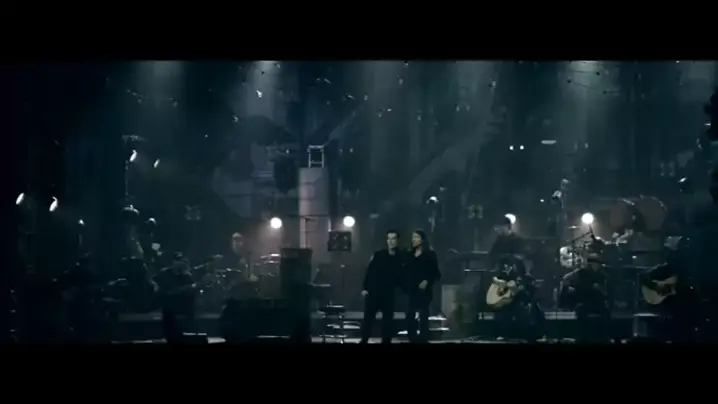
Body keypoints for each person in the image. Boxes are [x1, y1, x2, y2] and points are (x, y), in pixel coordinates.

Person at [641, 237, 700, 342]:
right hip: (667, 313)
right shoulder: (664, 270)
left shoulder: (687, 272)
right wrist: (657, 287)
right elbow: (643, 277)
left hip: (683, 314)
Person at [360, 230, 404, 344]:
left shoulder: (401, 257)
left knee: (388, 321)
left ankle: (386, 341)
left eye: (393, 239)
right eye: (389, 239)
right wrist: (365, 288)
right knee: (368, 319)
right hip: (374, 291)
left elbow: (402, 275)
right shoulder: (379, 254)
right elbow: (370, 271)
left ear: (397, 241)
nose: (391, 241)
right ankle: (364, 340)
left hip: (389, 293)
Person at [491, 257, 545, 342]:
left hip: (521, 302)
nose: (508, 267)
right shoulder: (503, 276)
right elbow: (496, 280)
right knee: (502, 310)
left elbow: (530, 291)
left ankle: (532, 335)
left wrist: (520, 290)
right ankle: (503, 334)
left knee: (528, 311)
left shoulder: (526, 277)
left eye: (511, 266)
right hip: (507, 303)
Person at [560, 252, 610, 343]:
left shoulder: (601, 275)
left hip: (597, 303)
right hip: (584, 302)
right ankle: (583, 338)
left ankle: (604, 337)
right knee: (581, 313)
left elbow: (605, 292)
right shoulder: (581, 273)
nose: (598, 266)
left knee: (606, 312)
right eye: (596, 264)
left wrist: (601, 290)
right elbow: (573, 283)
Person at [404, 229, 441, 343]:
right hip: (411, 288)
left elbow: (436, 273)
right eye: (413, 237)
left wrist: (427, 281)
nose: (414, 240)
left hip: (424, 289)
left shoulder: (430, 254)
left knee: (423, 313)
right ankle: (412, 337)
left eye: (416, 237)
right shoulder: (409, 254)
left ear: (422, 240)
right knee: (410, 313)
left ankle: (423, 337)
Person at [154, 253, 197, 336]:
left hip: (183, 303)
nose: (180, 263)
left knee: (192, 308)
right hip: (168, 302)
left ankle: (190, 331)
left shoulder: (187, 276)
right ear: (173, 262)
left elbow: (191, 288)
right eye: (178, 261)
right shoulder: (164, 273)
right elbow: (162, 290)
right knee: (168, 312)